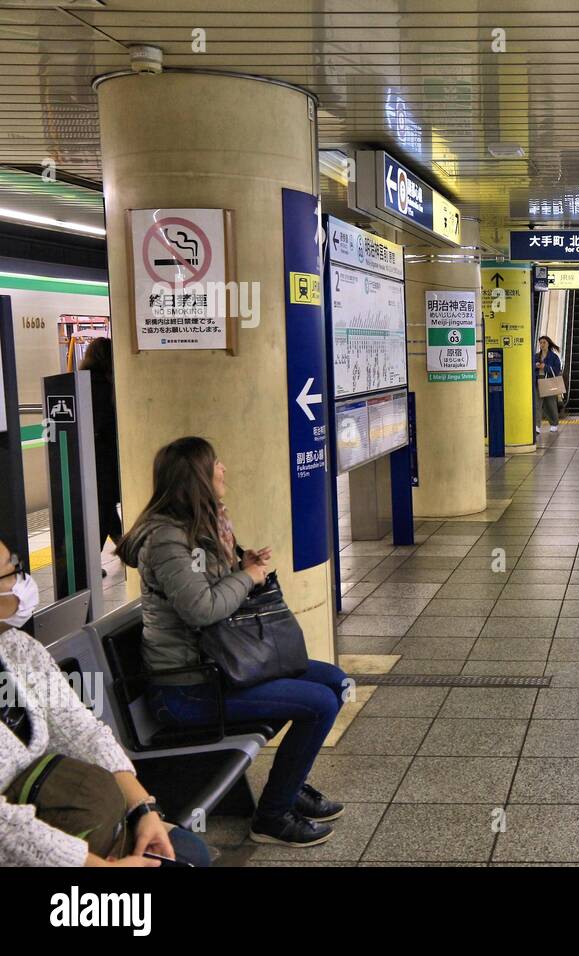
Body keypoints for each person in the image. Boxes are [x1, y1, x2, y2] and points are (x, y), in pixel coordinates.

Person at [117, 437, 347, 848]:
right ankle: (273, 816)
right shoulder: (169, 541)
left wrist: (240, 566)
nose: (224, 470)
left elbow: (204, 592)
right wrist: (248, 578)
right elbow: (201, 609)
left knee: (334, 680)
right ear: (196, 479)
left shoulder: (199, 529)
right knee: (321, 703)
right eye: (216, 464)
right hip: (187, 688)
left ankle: (290, 787)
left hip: (217, 666)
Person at [0, 537, 211, 866]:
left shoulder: (16, 648)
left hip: (73, 821)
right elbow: (5, 831)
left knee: (190, 852)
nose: (22, 582)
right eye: (11, 573)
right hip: (41, 851)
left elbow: (81, 730)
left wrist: (143, 809)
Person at [80, 337, 122, 561]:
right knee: (105, 510)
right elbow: (107, 425)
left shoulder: (81, 383)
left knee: (106, 508)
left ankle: (124, 550)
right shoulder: (106, 385)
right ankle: (90, 565)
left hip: (89, 461)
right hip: (105, 461)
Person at [534, 335, 563, 434]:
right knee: (537, 404)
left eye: (544, 342)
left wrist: (545, 367)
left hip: (549, 381)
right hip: (538, 381)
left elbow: (557, 370)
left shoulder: (553, 357)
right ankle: (537, 426)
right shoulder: (536, 356)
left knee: (550, 404)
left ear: (548, 344)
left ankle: (554, 424)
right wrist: (536, 366)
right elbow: (530, 367)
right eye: (540, 343)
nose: (542, 345)